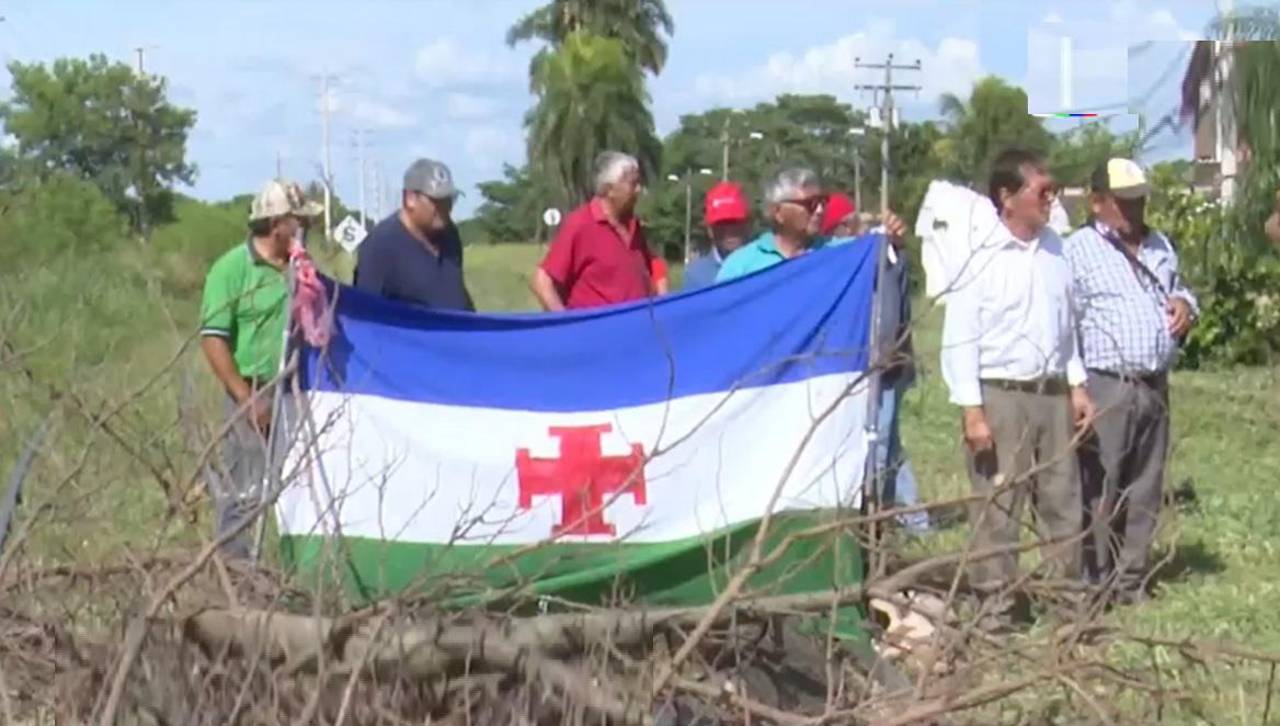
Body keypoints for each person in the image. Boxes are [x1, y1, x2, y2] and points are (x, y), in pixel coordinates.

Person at [940, 148, 1094, 629]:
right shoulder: (979, 257)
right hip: (1000, 396)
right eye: (1041, 191)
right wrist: (972, 412)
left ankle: (1069, 608)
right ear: (1007, 197)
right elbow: (960, 339)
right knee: (997, 508)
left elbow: (1066, 326)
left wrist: (1078, 386)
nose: (1051, 199)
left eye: (1052, 190)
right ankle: (995, 611)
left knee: (1063, 502)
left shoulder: (1056, 250)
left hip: (1052, 395)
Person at [1065, 158, 1199, 604]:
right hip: (1107, 382)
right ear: (1097, 201)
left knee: (1145, 485)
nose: (1133, 210)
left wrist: (1185, 303)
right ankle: (1095, 579)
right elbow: (1065, 321)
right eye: (1123, 202)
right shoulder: (1077, 250)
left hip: (1154, 383)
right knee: (1101, 485)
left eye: (1138, 200)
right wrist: (1075, 385)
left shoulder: (1160, 244)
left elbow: (1179, 287)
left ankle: (1131, 579)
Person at [199, 178, 322, 558]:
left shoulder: (300, 267)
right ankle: (237, 572)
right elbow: (213, 338)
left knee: (299, 486)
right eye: (297, 221)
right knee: (245, 491)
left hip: (298, 390)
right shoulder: (232, 269)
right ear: (276, 225)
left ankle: (293, 567)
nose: (304, 229)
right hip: (251, 391)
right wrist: (245, 398)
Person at [818, 191, 929, 533]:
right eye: (848, 224)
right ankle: (899, 520)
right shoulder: (833, 261)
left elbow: (899, 304)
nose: (855, 229)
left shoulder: (884, 258)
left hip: (887, 368)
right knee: (880, 446)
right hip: (856, 370)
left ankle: (900, 520)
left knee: (885, 444)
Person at [531, 151, 656, 310]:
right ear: (609, 189)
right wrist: (566, 325)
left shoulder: (635, 226)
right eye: (633, 184)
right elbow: (542, 282)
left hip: (636, 330)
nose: (639, 190)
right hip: (594, 332)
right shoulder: (580, 224)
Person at [354, 158, 474, 311]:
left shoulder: (449, 233)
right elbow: (367, 314)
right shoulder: (380, 246)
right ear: (410, 199)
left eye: (449, 200)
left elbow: (456, 293)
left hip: (455, 332)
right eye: (436, 201)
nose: (446, 208)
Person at [683, 181, 751, 290]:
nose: (730, 231)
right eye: (722, 224)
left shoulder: (763, 266)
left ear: (747, 225)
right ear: (710, 230)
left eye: (735, 222)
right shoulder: (696, 274)